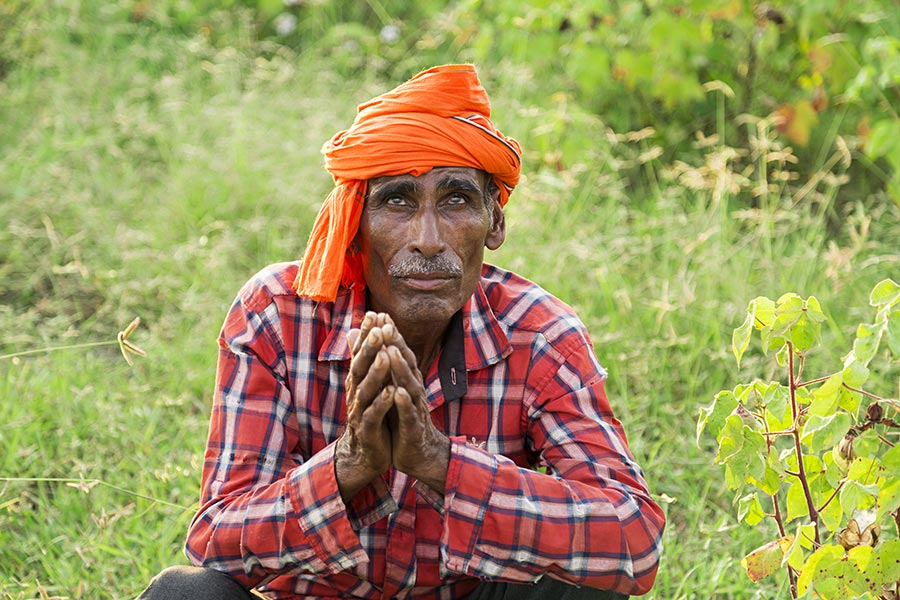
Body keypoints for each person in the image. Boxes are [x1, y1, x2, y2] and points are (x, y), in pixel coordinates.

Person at [138, 64, 665, 600]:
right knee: (186, 594)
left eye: (456, 200)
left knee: (590, 590)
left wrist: (443, 463)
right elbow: (214, 544)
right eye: (397, 201)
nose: (429, 239)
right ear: (354, 223)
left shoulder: (541, 333)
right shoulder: (277, 313)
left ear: (495, 223)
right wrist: (350, 465)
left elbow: (635, 541)